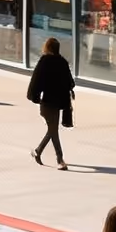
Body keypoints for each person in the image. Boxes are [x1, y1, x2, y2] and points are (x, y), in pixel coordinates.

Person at [27, 36, 74, 169]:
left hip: (47, 102)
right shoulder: (63, 62)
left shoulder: (44, 61)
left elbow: (36, 81)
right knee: (53, 130)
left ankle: (40, 152)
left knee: (52, 130)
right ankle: (59, 159)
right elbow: (71, 83)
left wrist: (35, 97)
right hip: (59, 103)